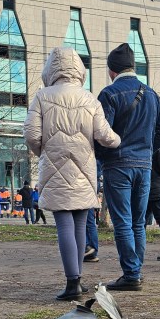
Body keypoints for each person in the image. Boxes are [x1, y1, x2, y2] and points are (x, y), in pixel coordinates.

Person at [25, 46, 121, 300]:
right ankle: (77, 279)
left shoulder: (42, 96)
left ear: (51, 70)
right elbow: (104, 135)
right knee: (80, 223)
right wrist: (119, 141)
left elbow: (32, 135)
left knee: (64, 224)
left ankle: (72, 283)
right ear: (79, 70)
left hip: (54, 167)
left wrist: (43, 151)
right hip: (84, 169)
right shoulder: (90, 99)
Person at [95, 42, 160, 291]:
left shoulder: (108, 94)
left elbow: (101, 133)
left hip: (118, 165)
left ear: (111, 70)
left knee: (123, 222)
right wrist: (147, 149)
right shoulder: (152, 94)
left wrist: (104, 156)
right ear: (132, 67)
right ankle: (134, 271)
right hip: (144, 166)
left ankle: (131, 274)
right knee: (138, 222)